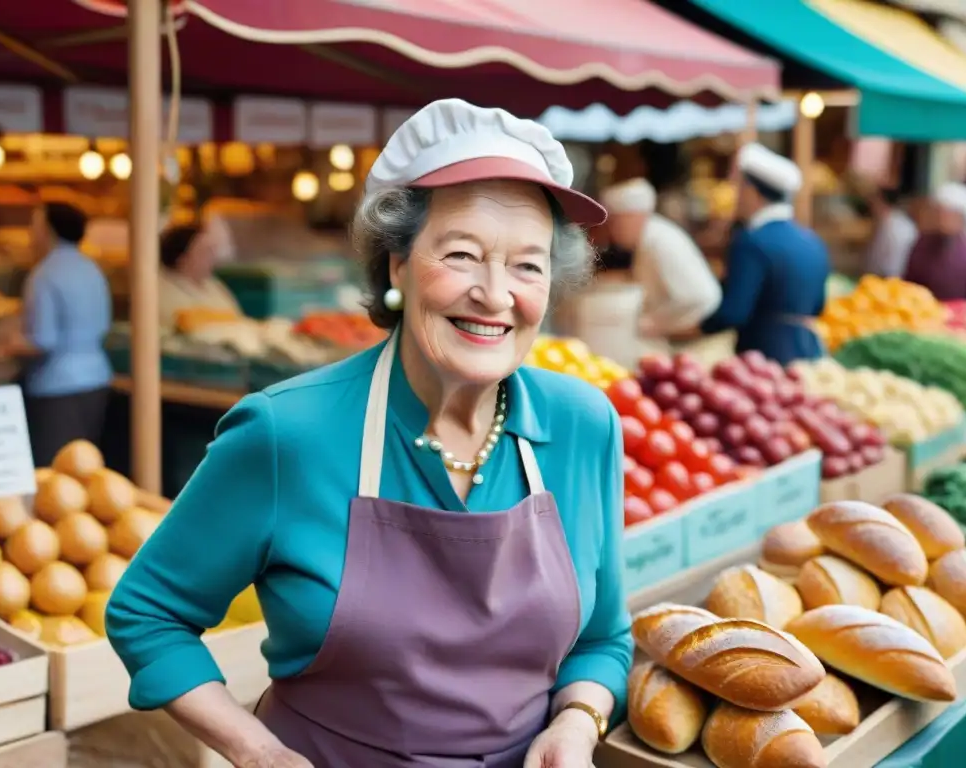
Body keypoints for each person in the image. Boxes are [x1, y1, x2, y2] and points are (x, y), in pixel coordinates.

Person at [106, 99, 633, 768]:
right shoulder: (285, 432)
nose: (496, 294)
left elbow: (603, 636)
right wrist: (257, 751)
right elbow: (149, 613)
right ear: (396, 264)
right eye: (463, 255)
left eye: (527, 265)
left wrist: (577, 723)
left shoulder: (585, 424)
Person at [699, 143, 830, 365]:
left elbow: (733, 312)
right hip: (810, 354)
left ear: (751, 192)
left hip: (763, 359)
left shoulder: (751, 242)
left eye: (739, 188)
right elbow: (818, 306)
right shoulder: (813, 241)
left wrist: (693, 328)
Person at [18, 203, 113, 465]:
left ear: (47, 231)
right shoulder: (92, 268)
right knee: (86, 466)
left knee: (55, 472)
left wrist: (4, 345)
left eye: (34, 226)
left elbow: (42, 340)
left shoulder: (44, 274)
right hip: (96, 377)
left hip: (56, 385)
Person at [601, 178, 721, 352]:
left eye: (615, 223)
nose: (613, 232)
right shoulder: (647, 238)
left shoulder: (660, 241)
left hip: (700, 345)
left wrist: (652, 324)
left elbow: (696, 297)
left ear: (635, 216)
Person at [158, 218, 241, 328]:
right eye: (204, 251)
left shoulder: (214, 286)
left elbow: (237, 318)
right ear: (182, 259)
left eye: (211, 251)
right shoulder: (163, 292)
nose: (212, 257)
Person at [902, 183, 966, 299]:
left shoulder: (964, 251)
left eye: (948, 215)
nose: (942, 220)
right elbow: (908, 284)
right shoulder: (921, 245)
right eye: (939, 213)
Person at [863, 187, 917, 278]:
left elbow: (882, 264)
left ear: (880, 201)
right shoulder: (898, 222)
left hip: (890, 280)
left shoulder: (893, 227)